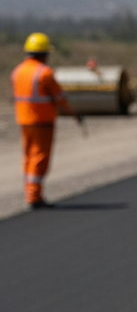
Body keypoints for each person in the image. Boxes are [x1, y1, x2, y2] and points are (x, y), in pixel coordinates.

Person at [10, 32, 83, 209]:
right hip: (42, 122)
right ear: (44, 54)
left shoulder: (17, 71)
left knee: (28, 156)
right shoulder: (44, 73)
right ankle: (34, 197)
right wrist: (73, 115)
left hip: (23, 121)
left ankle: (30, 192)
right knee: (39, 157)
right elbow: (59, 98)